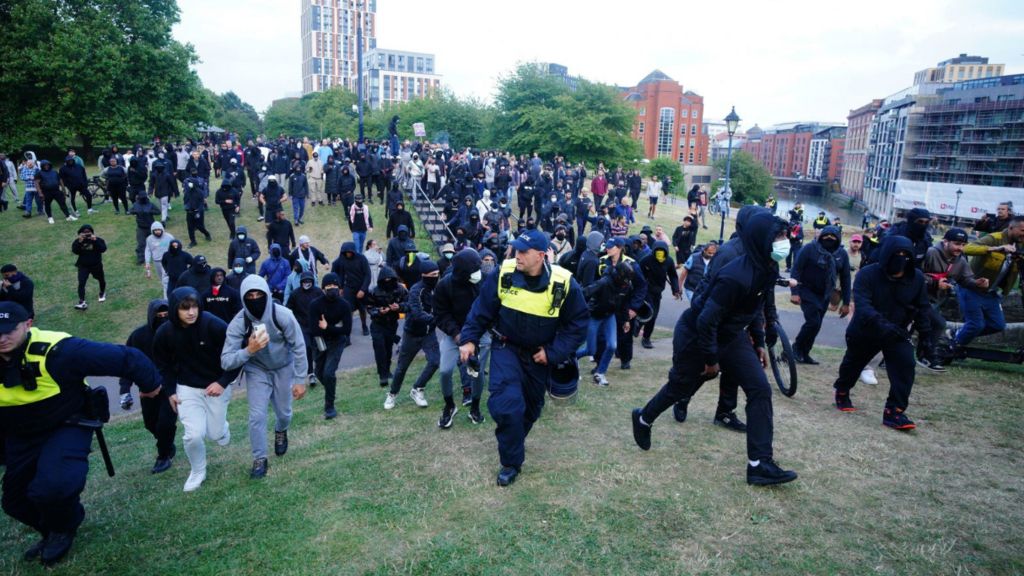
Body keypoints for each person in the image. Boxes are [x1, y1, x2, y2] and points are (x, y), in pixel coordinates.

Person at [631, 212, 799, 486]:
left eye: (784, 236)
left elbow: (757, 308)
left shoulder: (768, 268)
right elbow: (706, 320)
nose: (784, 242)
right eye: (778, 236)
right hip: (697, 334)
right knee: (681, 386)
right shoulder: (735, 275)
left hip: (731, 335)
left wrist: (757, 342)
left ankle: (759, 464)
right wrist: (711, 360)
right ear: (760, 239)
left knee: (760, 389)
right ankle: (644, 418)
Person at [0, 302, 162, 566]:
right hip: (21, 435)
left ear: (28, 325)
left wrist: (152, 384)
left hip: (67, 424)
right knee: (14, 501)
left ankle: (65, 527)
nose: (2, 338)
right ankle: (51, 530)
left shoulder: (59, 351)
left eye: (9, 330)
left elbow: (126, 357)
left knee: (53, 487)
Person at [458, 230, 587, 486]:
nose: (517, 256)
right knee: (507, 406)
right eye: (515, 250)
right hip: (506, 348)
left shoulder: (563, 283)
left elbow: (578, 325)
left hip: (539, 356)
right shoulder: (503, 273)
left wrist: (553, 353)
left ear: (541, 256)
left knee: (531, 408)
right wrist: (469, 339)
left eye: (523, 252)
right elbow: (481, 309)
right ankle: (511, 463)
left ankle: (513, 440)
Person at [831, 235, 932, 431]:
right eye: (897, 255)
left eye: (905, 256)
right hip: (866, 330)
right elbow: (863, 305)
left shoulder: (916, 278)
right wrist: (883, 325)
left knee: (905, 366)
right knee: (853, 365)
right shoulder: (868, 274)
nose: (901, 259)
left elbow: (922, 307)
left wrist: (926, 335)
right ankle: (842, 391)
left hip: (897, 333)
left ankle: (894, 412)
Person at [153, 287, 240, 492]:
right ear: (175, 309)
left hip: (216, 386)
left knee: (215, 433)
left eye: (194, 307)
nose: (191, 312)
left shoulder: (212, 324)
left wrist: (223, 382)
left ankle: (222, 429)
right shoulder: (164, 333)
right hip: (187, 389)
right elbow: (163, 365)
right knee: (193, 435)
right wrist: (170, 392)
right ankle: (197, 472)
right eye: (185, 308)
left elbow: (235, 354)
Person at [221, 276, 307, 479]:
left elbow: (299, 346)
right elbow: (226, 361)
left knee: (284, 413)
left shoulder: (283, 315)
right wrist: (248, 351)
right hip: (256, 369)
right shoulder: (239, 322)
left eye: (259, 294)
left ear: (267, 294)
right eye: (249, 296)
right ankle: (260, 458)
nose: (255, 299)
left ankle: (280, 430)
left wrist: (300, 379)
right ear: (243, 298)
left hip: (283, 367)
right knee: (256, 416)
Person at [119, 299, 178, 473]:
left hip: (171, 387)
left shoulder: (177, 334)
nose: (163, 319)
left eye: (166, 316)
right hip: (147, 389)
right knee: (150, 423)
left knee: (165, 423)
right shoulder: (138, 336)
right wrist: (124, 390)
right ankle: (167, 444)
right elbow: (126, 364)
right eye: (159, 316)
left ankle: (163, 455)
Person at [952, 215, 1024, 354]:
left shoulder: (1021, 243)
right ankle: (954, 345)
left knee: (998, 325)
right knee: (976, 324)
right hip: (971, 287)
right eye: (1022, 230)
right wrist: (995, 249)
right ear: (1010, 228)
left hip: (991, 292)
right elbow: (967, 248)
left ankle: (957, 333)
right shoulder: (994, 238)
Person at [921, 228, 987, 372]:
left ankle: (924, 356)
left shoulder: (961, 260)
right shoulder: (931, 253)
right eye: (957, 244)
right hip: (917, 297)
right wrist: (934, 283)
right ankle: (925, 356)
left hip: (934, 300)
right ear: (945, 242)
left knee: (929, 325)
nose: (960, 248)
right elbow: (915, 274)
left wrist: (977, 283)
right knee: (936, 324)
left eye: (963, 245)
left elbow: (966, 279)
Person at [789, 225, 851, 365]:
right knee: (813, 322)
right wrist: (794, 292)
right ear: (820, 237)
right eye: (826, 236)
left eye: (833, 237)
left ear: (838, 239)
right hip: (806, 290)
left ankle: (805, 353)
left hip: (825, 295)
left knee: (816, 326)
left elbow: (846, 279)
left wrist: (846, 302)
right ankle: (796, 348)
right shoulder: (810, 249)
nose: (829, 239)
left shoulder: (842, 254)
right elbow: (796, 270)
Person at [385, 261, 442, 413]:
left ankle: (417, 388)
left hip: (429, 333)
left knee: (435, 361)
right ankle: (392, 394)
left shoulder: (439, 288)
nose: (435, 278)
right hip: (412, 333)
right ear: (424, 275)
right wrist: (439, 319)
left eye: (437, 275)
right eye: (432, 275)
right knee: (402, 367)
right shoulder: (416, 290)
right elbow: (417, 313)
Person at [578, 260, 634, 386]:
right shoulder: (604, 282)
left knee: (612, 346)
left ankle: (600, 373)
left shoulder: (627, 287)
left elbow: (625, 303)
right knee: (591, 350)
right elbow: (584, 293)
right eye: (624, 280)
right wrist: (580, 311)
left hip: (609, 316)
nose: (626, 284)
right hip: (594, 316)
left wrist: (626, 320)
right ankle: (570, 358)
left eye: (628, 281)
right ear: (618, 276)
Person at [598, 237, 647, 371]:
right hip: (605, 306)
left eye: (611, 247)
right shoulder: (602, 262)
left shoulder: (631, 264)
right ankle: (600, 364)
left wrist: (634, 307)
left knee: (624, 335)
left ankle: (625, 360)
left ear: (620, 248)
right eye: (607, 246)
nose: (608, 249)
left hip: (624, 305)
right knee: (602, 336)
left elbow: (641, 286)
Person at [309, 273, 353, 419]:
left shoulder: (345, 305)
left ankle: (330, 407)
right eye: (328, 287)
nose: (332, 289)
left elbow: (346, 330)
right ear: (323, 289)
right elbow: (313, 329)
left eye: (335, 286)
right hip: (319, 341)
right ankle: (331, 387)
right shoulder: (315, 305)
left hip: (337, 342)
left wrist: (327, 327)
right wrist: (333, 327)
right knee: (319, 372)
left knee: (328, 373)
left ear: (340, 289)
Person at [367, 267, 408, 389]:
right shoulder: (374, 291)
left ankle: (387, 370)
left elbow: (408, 303)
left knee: (388, 347)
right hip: (377, 324)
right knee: (379, 349)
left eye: (390, 279)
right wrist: (379, 311)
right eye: (385, 279)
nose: (388, 281)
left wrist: (399, 307)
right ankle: (382, 375)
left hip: (391, 323)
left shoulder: (400, 289)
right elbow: (369, 307)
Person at [638, 241, 681, 349]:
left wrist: (675, 289)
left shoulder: (669, 261)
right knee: (647, 313)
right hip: (645, 291)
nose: (660, 254)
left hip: (657, 292)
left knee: (653, 315)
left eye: (662, 252)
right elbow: (638, 275)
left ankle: (645, 337)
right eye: (658, 252)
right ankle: (640, 331)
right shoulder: (646, 260)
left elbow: (673, 276)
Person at [286, 271, 321, 386]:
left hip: (317, 325)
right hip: (302, 326)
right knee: (307, 347)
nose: (307, 283)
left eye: (309, 281)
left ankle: (320, 370)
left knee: (321, 348)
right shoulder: (295, 294)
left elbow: (324, 306)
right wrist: (295, 322)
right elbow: (289, 310)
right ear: (301, 282)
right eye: (305, 281)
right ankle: (310, 373)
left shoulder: (318, 292)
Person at [331, 241, 371, 336]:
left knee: (362, 309)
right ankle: (348, 329)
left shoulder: (361, 259)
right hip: (348, 287)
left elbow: (368, 275)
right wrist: (340, 287)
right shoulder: (342, 259)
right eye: (345, 252)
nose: (347, 254)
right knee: (348, 309)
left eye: (349, 252)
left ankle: (364, 325)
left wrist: (363, 289)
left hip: (361, 287)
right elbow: (337, 270)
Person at [71, 225, 107, 310]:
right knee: (81, 283)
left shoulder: (98, 240)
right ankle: (82, 301)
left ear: (92, 232)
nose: (87, 235)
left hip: (96, 265)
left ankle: (102, 293)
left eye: (88, 233)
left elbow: (103, 249)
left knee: (101, 279)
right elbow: (75, 251)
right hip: (83, 266)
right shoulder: (78, 241)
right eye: (84, 233)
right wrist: (79, 242)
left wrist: (95, 241)